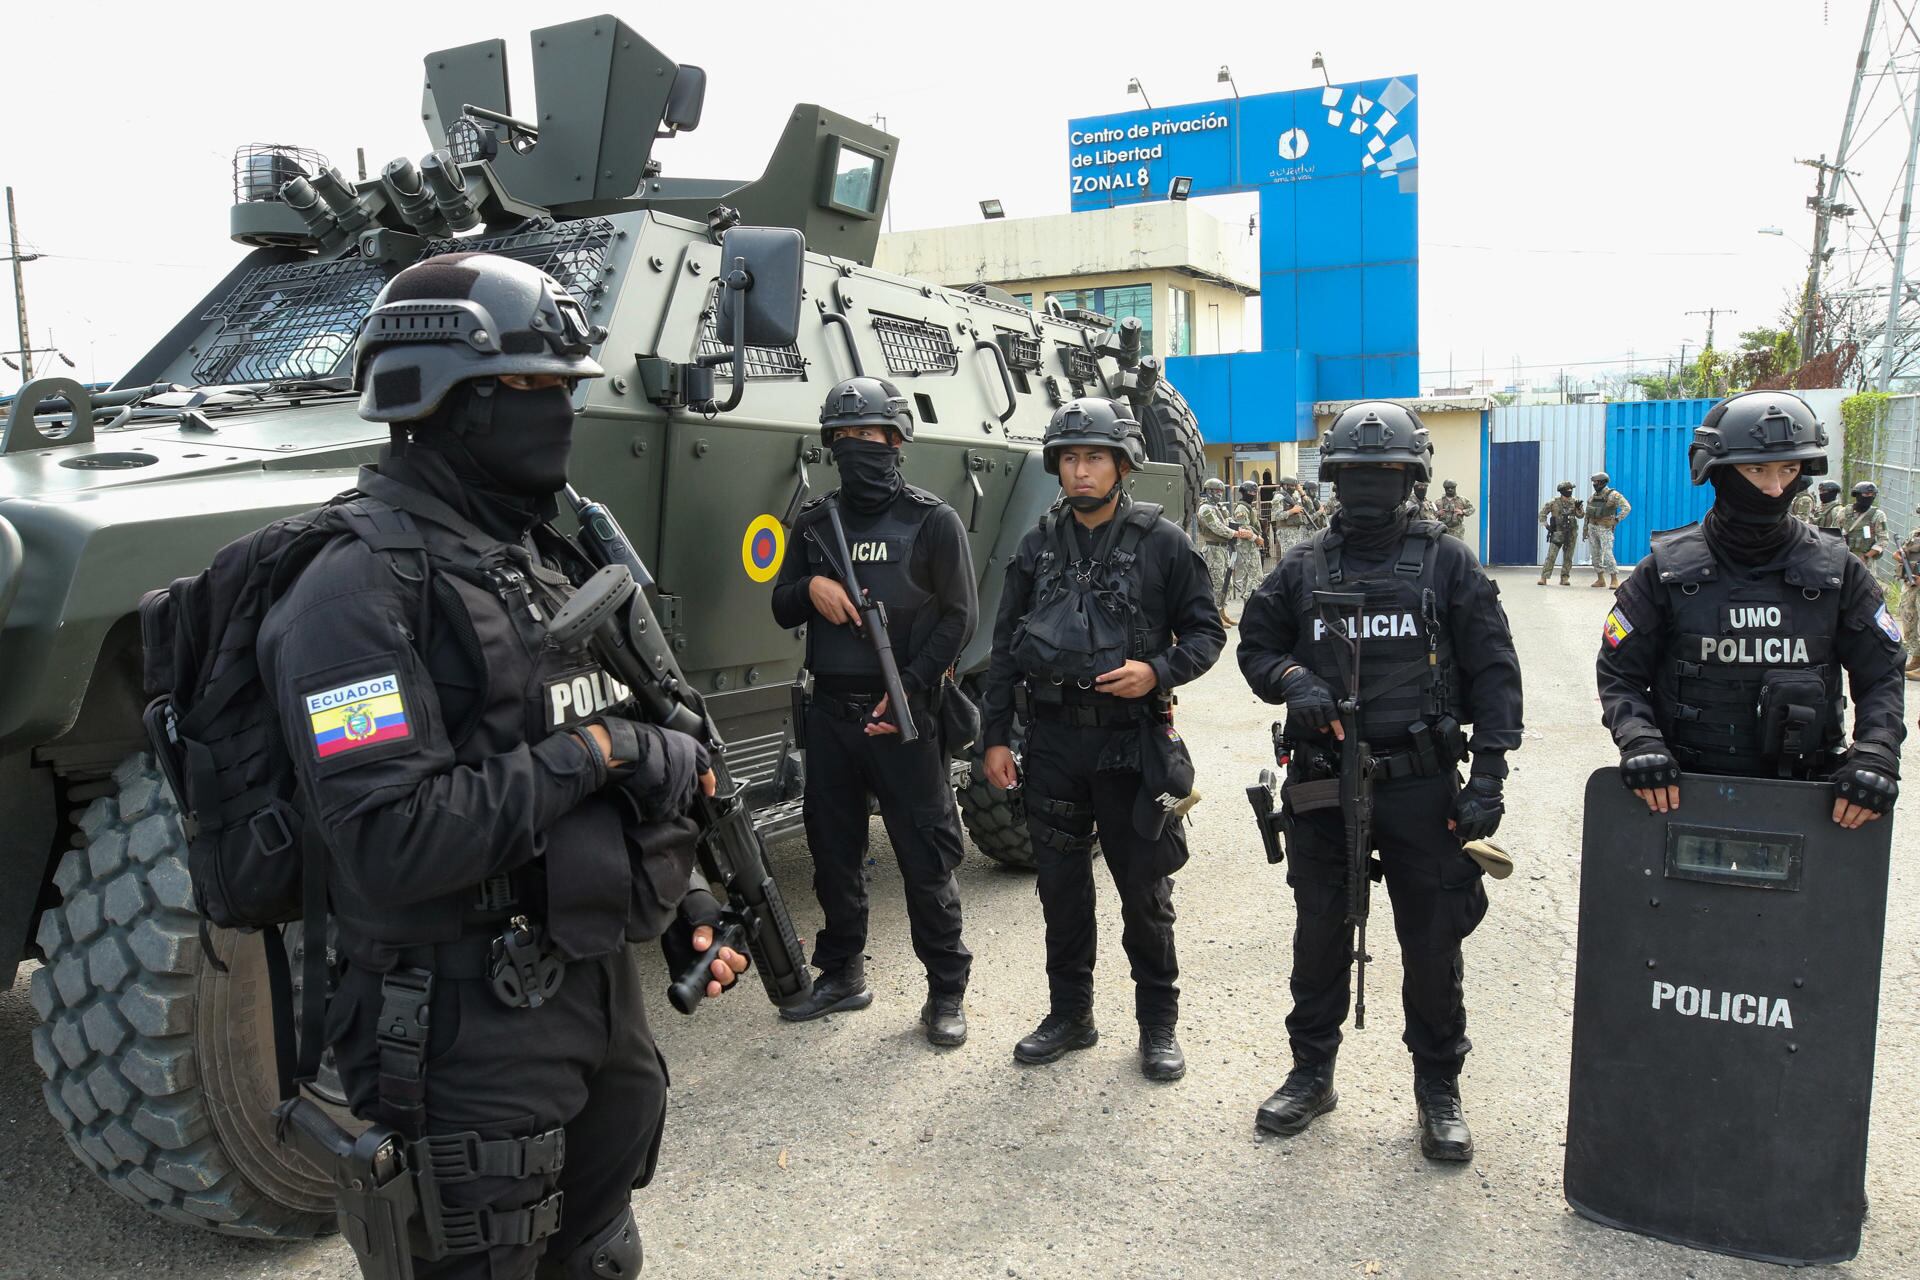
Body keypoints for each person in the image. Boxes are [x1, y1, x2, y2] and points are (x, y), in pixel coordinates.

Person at [259, 253, 746, 1279]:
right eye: (535, 388)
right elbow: (392, 837)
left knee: (598, 1251)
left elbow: (599, 748)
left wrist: (684, 891)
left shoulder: (535, 558)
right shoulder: (350, 593)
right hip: (455, 1020)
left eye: (563, 389)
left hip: (585, 986)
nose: (561, 413)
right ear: (448, 402)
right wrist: (601, 751)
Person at [1237, 401, 1523, 1164]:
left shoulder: (1447, 564)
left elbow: (1496, 674)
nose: (1369, 487)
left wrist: (1488, 776)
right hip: (1325, 784)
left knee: (1432, 944)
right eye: (1355, 474)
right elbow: (1256, 645)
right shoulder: (1301, 565)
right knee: (1320, 934)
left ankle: (1438, 1089)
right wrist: (1295, 678)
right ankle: (1311, 1074)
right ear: (1332, 478)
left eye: (1386, 473)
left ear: (1412, 478)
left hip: (1422, 785)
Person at [980, 398, 1225, 1082]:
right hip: (1053, 743)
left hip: (1130, 746)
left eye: (1093, 458)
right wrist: (994, 737)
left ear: (1121, 465)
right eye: (1068, 458)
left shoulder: (1163, 543)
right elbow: (1003, 649)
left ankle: (1157, 1027)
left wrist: (1157, 671)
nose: (1080, 471)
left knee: (1144, 892)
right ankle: (1070, 1014)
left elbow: (1208, 632)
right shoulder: (1034, 546)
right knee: (1060, 890)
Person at [769, 377, 978, 1043]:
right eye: (847, 438)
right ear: (832, 445)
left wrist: (911, 685)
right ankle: (842, 975)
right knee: (834, 854)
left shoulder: (932, 520)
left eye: (874, 437)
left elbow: (960, 619)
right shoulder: (814, 521)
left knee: (926, 859)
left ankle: (946, 993)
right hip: (831, 714)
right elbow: (780, 606)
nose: (861, 448)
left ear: (897, 442)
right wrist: (812, 586)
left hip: (905, 716)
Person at [1597, 390, 1902, 834]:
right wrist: (1640, 741)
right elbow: (1620, 674)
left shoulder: (1839, 570)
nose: (1775, 487)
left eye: (1789, 470)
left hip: (1809, 798)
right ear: (1716, 472)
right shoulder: (1664, 571)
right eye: (1757, 469)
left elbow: (1882, 676)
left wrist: (1877, 751)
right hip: (1682, 793)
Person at [1196, 476, 1257, 612]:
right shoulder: (1205, 509)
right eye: (1216, 491)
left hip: (1223, 548)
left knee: (1227, 583)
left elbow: (1228, 521)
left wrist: (1239, 530)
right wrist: (1235, 534)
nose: (1219, 494)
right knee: (1217, 583)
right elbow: (1216, 526)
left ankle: (1222, 610)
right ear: (1209, 491)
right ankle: (1215, 613)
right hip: (1213, 549)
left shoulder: (1218, 507)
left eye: (1220, 491)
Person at [1582, 472, 1632, 589]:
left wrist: (1617, 519)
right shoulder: (1593, 496)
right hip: (1592, 527)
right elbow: (1588, 514)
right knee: (1595, 554)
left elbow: (1627, 507)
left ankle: (1614, 579)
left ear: (1603, 482)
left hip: (1605, 528)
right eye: (1594, 482)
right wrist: (1585, 530)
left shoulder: (1613, 495)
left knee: (1608, 554)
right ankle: (1600, 579)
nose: (1594, 484)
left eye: (1596, 482)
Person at [1538, 481, 1585, 586]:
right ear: (1562, 491)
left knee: (1568, 557)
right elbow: (1542, 513)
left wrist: (1578, 508)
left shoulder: (1575, 501)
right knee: (1551, 555)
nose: (1570, 491)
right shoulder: (1553, 502)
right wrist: (1547, 526)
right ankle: (1544, 577)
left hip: (1571, 533)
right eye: (1568, 489)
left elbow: (1581, 516)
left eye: (1571, 489)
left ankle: (1564, 578)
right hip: (1557, 532)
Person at [1893, 511, 1920, 680]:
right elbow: (1902, 552)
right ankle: (1917, 658)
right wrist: (1900, 557)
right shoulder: (1915, 534)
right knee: (1908, 618)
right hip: (1911, 584)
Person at [1843, 480, 1890, 565]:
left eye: (1873, 495)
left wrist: (1866, 556)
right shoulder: (1845, 512)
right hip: (1844, 557)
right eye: (1866, 494)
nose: (1869, 497)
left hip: (1865, 560)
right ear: (1857, 495)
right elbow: (1833, 532)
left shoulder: (1878, 515)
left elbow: (1883, 539)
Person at [1269, 476, 1316, 557]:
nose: (1294, 488)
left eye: (1295, 486)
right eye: (1292, 486)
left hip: (1297, 531)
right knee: (1289, 557)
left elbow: (1311, 507)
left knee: (1298, 557)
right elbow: (1276, 516)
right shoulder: (1279, 497)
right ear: (1285, 485)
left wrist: (1301, 492)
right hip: (1286, 532)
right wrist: (1292, 511)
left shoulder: (1294, 497)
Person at [1233, 479, 1267, 590]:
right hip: (1246, 545)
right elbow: (1244, 528)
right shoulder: (1241, 508)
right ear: (1244, 492)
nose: (1253, 495)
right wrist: (1257, 538)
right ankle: (1251, 600)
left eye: (1254, 492)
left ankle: (1248, 601)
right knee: (1255, 577)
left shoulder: (1248, 507)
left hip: (1251, 544)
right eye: (1251, 492)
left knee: (1249, 577)